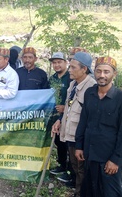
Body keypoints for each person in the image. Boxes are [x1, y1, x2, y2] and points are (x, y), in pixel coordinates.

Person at [75, 57, 122, 197]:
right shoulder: (90, 93)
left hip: (108, 157)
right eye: (99, 71)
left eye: (106, 72)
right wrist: (79, 145)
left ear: (114, 74)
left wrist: (115, 159)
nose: (102, 75)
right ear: (94, 72)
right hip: (89, 153)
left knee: (109, 192)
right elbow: (83, 120)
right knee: (90, 191)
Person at [51, 52, 97, 196]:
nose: (69, 70)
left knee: (81, 169)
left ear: (84, 69)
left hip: (80, 136)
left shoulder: (92, 87)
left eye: (73, 67)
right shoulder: (73, 84)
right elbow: (69, 107)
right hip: (70, 132)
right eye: (70, 67)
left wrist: (82, 141)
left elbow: (90, 117)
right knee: (76, 168)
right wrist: (59, 120)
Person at [47, 52, 73, 186]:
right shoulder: (52, 79)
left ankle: (70, 170)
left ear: (66, 63)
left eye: (59, 62)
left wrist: (66, 107)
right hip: (53, 116)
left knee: (66, 143)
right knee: (58, 141)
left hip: (67, 117)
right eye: (54, 62)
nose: (56, 65)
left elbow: (74, 97)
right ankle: (61, 165)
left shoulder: (70, 78)